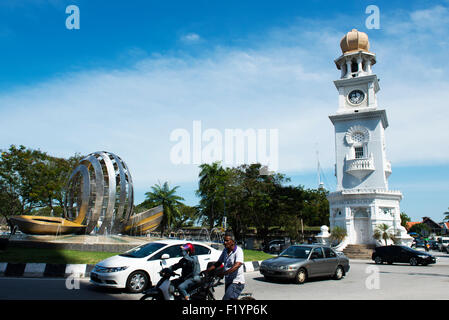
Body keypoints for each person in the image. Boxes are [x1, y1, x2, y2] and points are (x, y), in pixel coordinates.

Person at [205, 232, 245, 300]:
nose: (224, 242)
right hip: (228, 281)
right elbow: (218, 263)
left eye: (227, 240)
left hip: (236, 282)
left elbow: (237, 265)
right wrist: (207, 270)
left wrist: (223, 273)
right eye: (224, 240)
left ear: (232, 242)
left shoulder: (238, 251)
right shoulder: (225, 250)